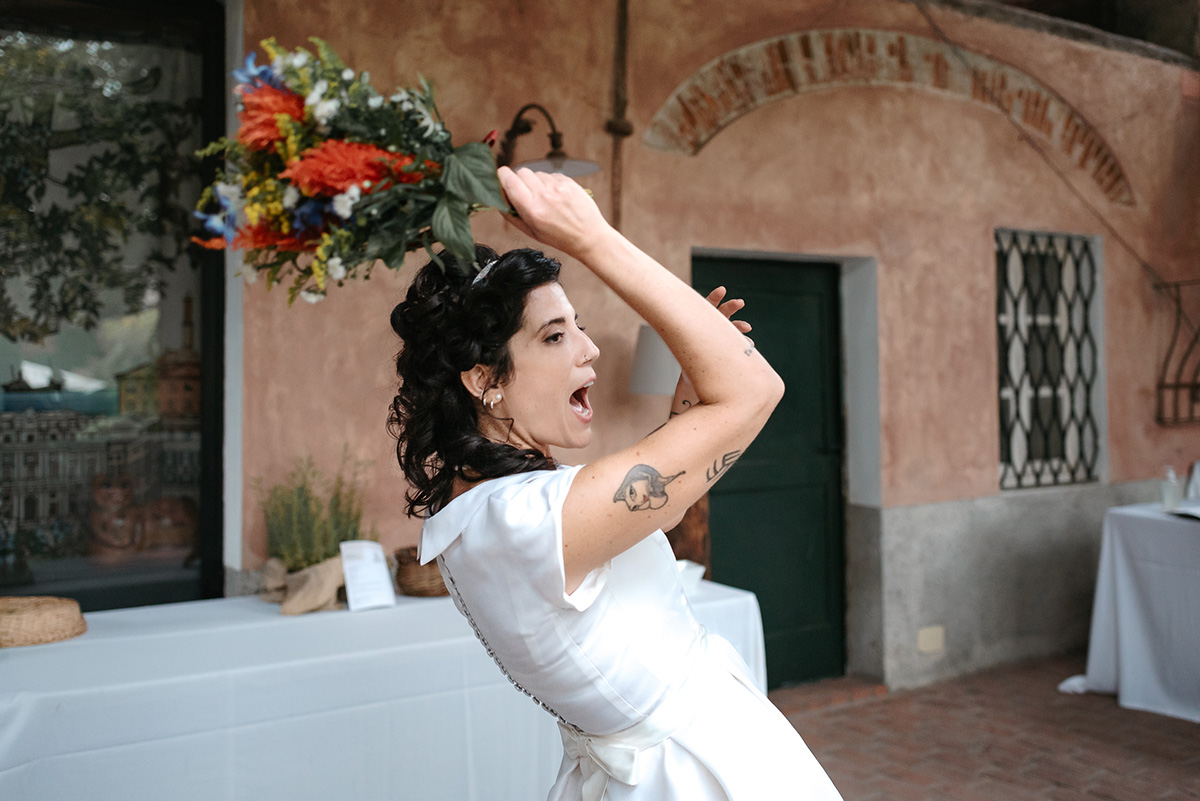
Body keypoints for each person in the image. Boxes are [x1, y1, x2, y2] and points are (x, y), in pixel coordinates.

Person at [389, 166, 843, 800]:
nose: (589, 349)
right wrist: (591, 237)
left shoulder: (497, 509)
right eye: (555, 335)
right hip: (692, 772)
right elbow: (757, 388)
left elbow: (656, 513)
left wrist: (689, 410)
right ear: (485, 379)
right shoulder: (527, 519)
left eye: (576, 325)